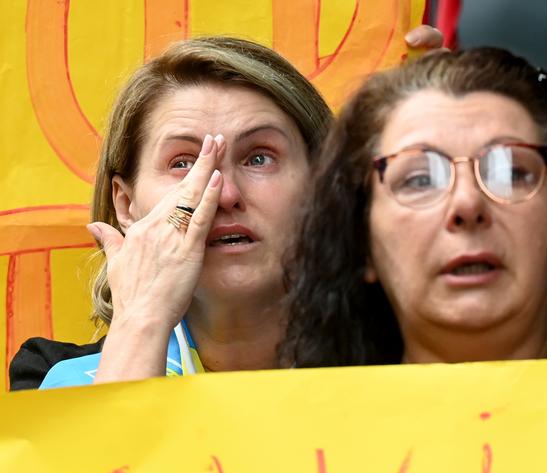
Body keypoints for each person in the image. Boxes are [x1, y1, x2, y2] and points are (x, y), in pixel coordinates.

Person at [10, 28, 444, 390]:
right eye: (183, 163)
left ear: (320, 186)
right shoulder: (48, 376)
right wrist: (140, 322)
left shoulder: (405, 362)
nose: (226, 193)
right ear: (125, 204)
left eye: (259, 157)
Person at [283, 47, 547, 367]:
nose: (467, 203)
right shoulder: (288, 440)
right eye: (420, 179)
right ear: (361, 244)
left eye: (509, 172)